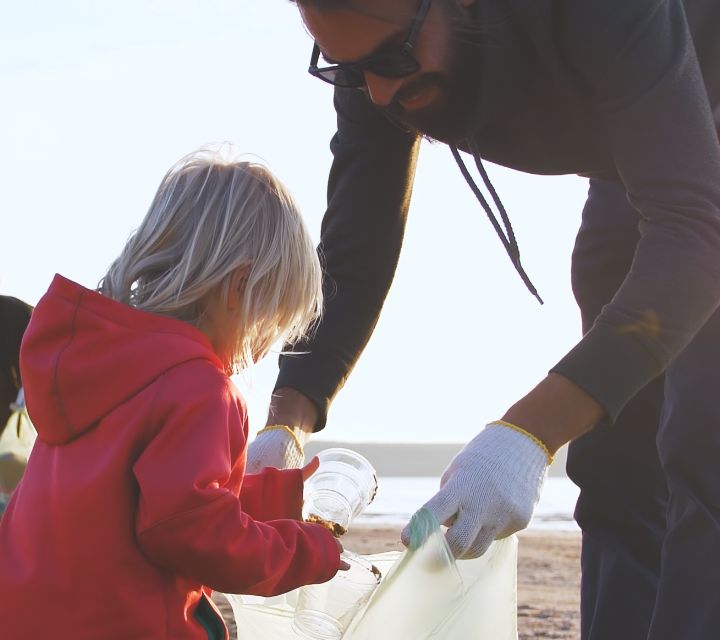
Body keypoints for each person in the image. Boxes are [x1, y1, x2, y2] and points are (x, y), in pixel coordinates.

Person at [246, 1, 720, 638]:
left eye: (390, 60)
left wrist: (528, 434)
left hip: (698, 137)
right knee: (614, 457)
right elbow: (356, 247)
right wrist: (288, 421)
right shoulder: (378, 63)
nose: (382, 91)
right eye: (348, 72)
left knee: (702, 442)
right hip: (629, 161)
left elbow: (695, 236)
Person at [0, 147, 345, 640]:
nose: (261, 344)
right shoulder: (199, 387)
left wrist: (273, 495)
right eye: (270, 318)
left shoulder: (90, 363)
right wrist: (310, 550)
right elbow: (192, 531)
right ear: (240, 286)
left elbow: (134, 493)